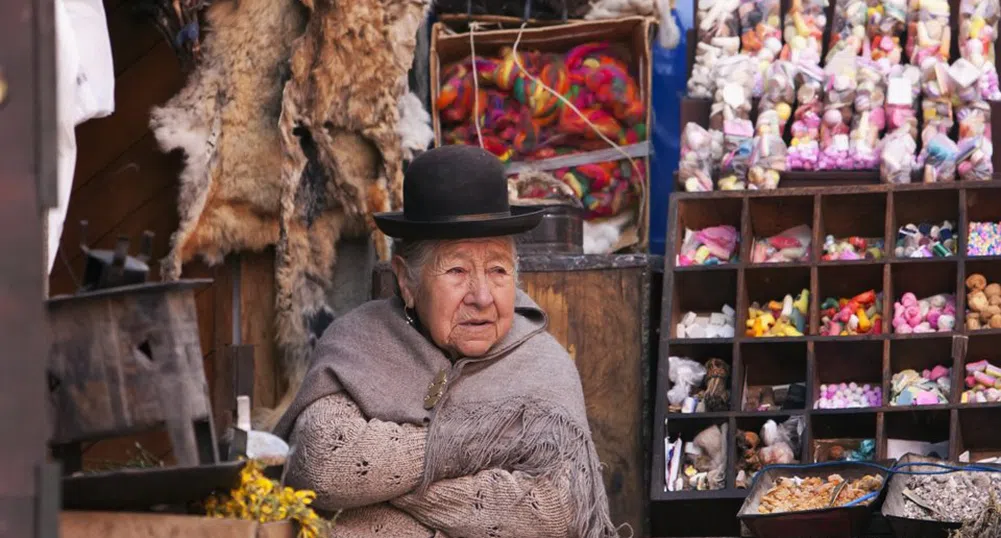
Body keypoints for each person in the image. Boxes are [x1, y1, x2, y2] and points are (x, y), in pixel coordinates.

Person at [274, 145, 619, 538]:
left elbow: (554, 509)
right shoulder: (359, 342)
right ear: (407, 280)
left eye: (498, 270)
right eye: (456, 270)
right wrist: (479, 442)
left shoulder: (544, 365)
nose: (482, 296)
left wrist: (382, 499)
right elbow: (323, 460)